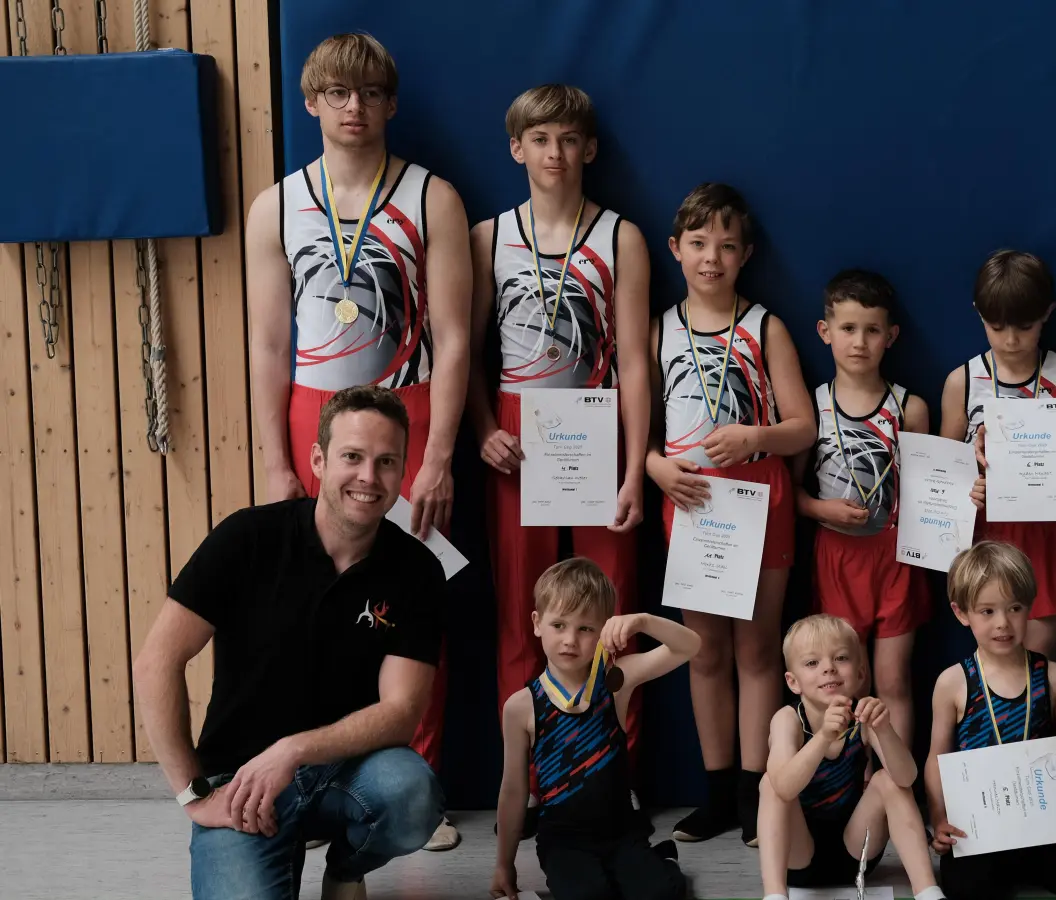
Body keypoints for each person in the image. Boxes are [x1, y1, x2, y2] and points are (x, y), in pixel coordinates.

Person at [243, 32, 471, 849]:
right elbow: (269, 344)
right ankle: (312, 783)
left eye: (370, 94)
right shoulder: (275, 205)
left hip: (408, 406)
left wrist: (439, 453)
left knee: (410, 595)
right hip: (313, 409)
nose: (354, 108)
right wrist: (275, 459)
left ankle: (416, 783)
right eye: (337, 93)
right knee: (310, 601)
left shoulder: (431, 197)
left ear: (391, 103)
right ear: (310, 102)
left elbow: (454, 335)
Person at [132, 386, 447, 900]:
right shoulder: (246, 538)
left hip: (348, 770)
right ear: (319, 460)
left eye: (386, 461)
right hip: (241, 782)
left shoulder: (418, 570)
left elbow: (401, 712)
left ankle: (346, 870)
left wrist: (294, 750)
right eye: (352, 457)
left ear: (402, 470)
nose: (369, 477)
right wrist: (193, 794)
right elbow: (155, 663)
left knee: (412, 794)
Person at [467, 85, 651, 748]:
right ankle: (529, 775)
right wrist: (485, 428)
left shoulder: (620, 236)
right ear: (517, 149)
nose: (555, 153)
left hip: (597, 422)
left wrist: (634, 472)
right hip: (519, 430)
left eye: (569, 140)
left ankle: (614, 772)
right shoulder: (488, 237)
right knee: (524, 608)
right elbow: (468, 351)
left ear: (589, 149)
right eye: (540, 140)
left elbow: (635, 361)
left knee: (613, 609)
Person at [648, 183, 815, 846]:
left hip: (758, 501)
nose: (711, 258)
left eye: (725, 246)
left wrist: (756, 438)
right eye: (698, 244)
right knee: (704, 652)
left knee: (756, 649)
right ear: (676, 249)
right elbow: (640, 428)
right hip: (690, 503)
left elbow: (803, 427)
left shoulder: (766, 327)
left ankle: (754, 791)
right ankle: (716, 791)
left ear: (745, 254)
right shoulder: (659, 328)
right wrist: (656, 468)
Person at [490, 558, 698, 900]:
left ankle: (662, 861)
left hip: (622, 832)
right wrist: (504, 864)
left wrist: (642, 621)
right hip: (563, 841)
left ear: (604, 631)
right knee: (589, 895)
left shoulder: (617, 681)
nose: (570, 640)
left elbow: (690, 646)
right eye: (559, 625)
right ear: (537, 623)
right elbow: (513, 790)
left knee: (661, 894)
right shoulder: (520, 707)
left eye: (586, 628)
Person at [925, 542, 1056, 900]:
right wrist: (939, 818)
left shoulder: (1054, 677)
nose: (1003, 623)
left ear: (1030, 607)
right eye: (987, 611)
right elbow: (937, 758)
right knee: (966, 889)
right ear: (961, 613)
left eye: (1014, 608)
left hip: (1044, 829)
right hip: (978, 834)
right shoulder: (953, 683)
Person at [940, 250, 1056, 660]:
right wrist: (970, 474)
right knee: (994, 664)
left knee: (1038, 663)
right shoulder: (962, 381)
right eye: (997, 327)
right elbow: (943, 475)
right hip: (987, 536)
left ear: (1047, 313)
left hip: (1046, 534)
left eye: (1025, 327)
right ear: (979, 315)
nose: (1010, 340)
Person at [792, 269, 931, 741]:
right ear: (824, 331)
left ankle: (894, 776)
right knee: (843, 685)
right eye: (848, 328)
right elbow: (790, 493)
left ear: (891, 336)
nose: (859, 342)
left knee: (891, 681)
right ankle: (848, 776)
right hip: (835, 558)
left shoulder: (909, 408)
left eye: (872, 330)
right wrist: (820, 511)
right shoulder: (812, 407)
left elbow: (929, 492)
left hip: (895, 560)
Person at [756, 615, 945, 900]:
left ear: (860, 674)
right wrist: (822, 737)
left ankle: (928, 891)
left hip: (856, 853)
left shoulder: (863, 716)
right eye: (812, 663)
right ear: (793, 682)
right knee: (769, 783)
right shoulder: (787, 719)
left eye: (841, 658)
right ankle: (774, 895)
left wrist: (884, 730)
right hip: (797, 857)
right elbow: (784, 787)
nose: (828, 668)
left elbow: (907, 778)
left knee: (888, 781)